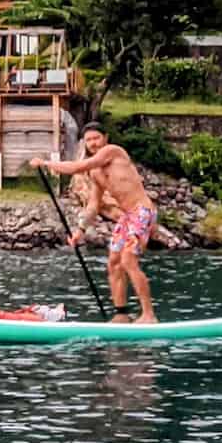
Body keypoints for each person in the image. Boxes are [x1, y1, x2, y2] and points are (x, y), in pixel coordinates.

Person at [46, 126, 158, 322]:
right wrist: (80, 230)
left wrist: (46, 163)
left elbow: (77, 167)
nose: (93, 143)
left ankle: (149, 315)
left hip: (142, 211)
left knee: (128, 259)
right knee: (114, 263)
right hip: (127, 217)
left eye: (96, 138)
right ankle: (122, 315)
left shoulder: (114, 152)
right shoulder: (96, 173)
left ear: (105, 137)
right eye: (88, 140)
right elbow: (94, 204)